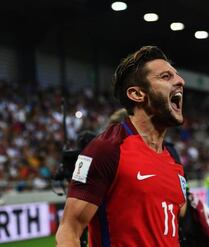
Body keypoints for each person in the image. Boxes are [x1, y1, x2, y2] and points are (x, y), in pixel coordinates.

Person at [56, 46, 186, 247]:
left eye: (176, 75)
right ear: (137, 94)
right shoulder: (108, 149)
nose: (180, 81)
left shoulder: (173, 161)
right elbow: (69, 230)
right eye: (166, 76)